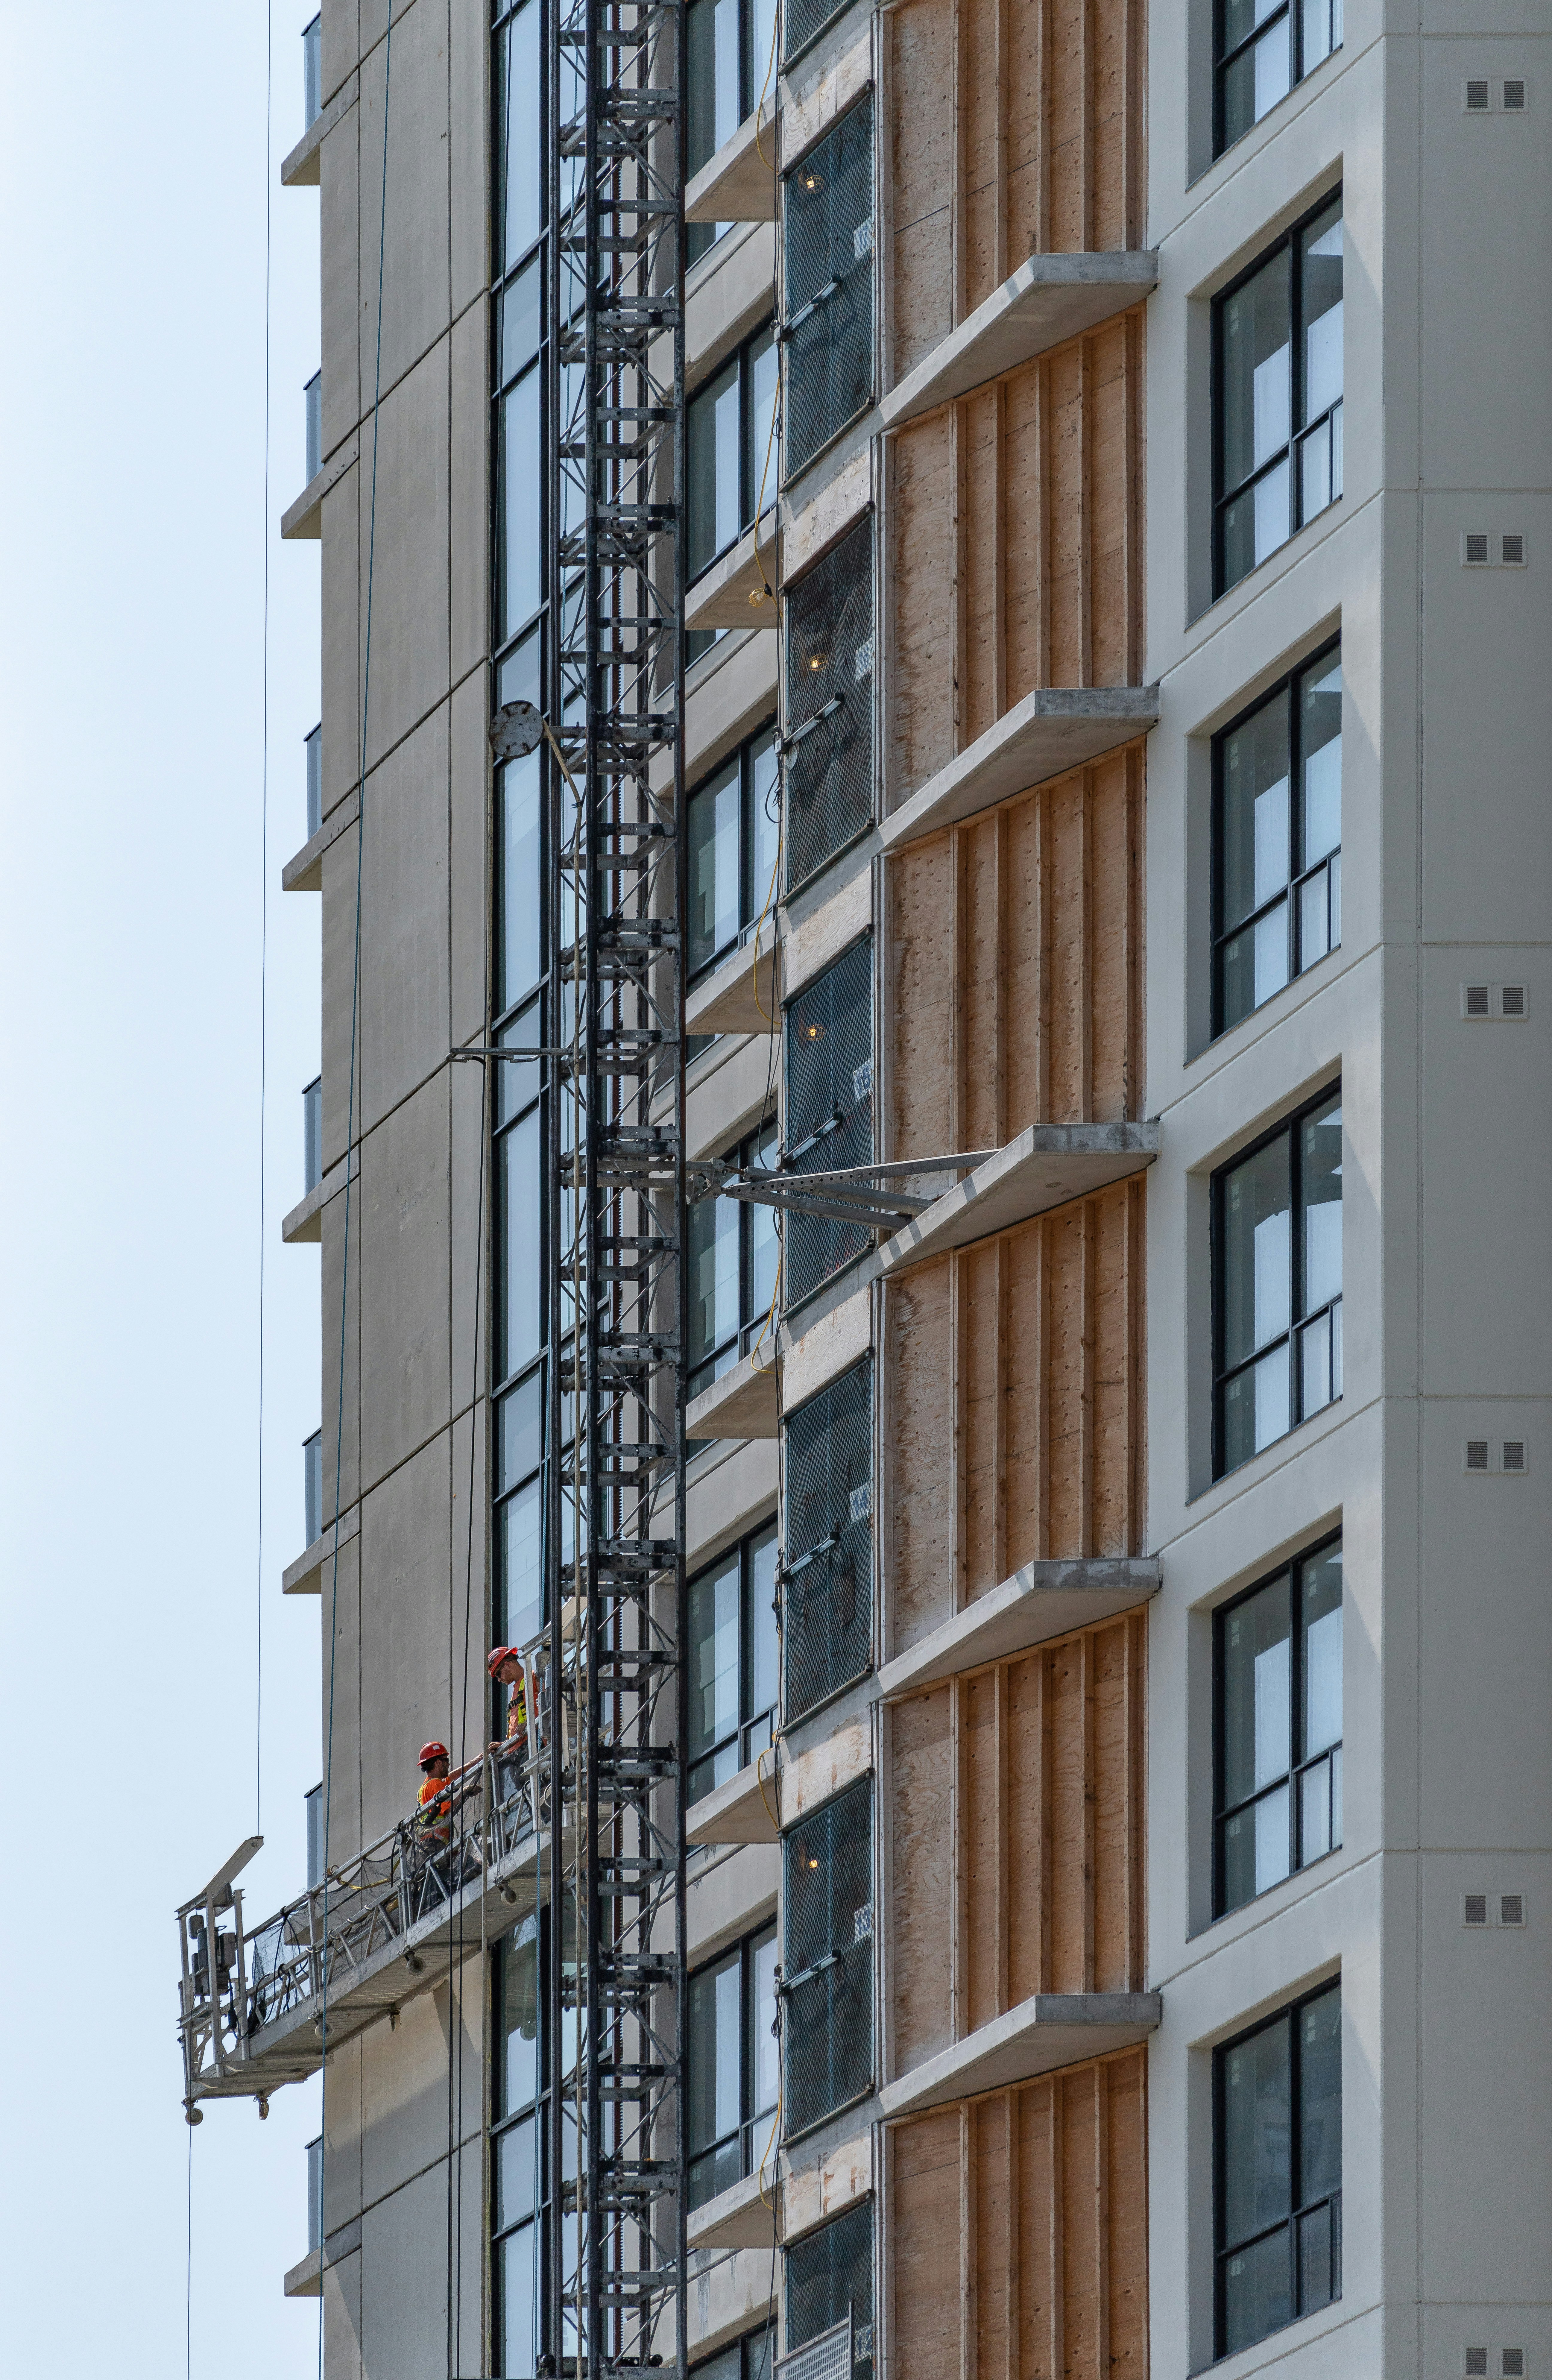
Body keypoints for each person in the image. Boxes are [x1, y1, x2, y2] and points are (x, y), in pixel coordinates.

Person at [487, 1647, 527, 1763]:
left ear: (508, 1665)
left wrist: (528, 1725)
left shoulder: (532, 1679)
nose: (499, 1680)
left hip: (529, 1749)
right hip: (516, 1754)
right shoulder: (515, 1692)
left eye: (499, 1674)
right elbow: (516, 1731)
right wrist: (503, 1745)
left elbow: (549, 1710)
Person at [416, 1741, 452, 1843]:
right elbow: (450, 1810)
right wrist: (465, 1792)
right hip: (437, 1842)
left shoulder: (426, 1786)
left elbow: (451, 1778)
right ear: (439, 1763)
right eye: (446, 1760)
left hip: (430, 1842)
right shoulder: (436, 1784)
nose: (449, 1764)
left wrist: (474, 1763)